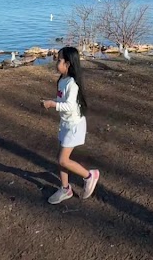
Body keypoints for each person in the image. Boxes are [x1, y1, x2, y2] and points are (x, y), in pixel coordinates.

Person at [39, 46, 99, 204]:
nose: (56, 62)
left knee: (63, 160)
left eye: (59, 60)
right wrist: (51, 101)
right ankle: (65, 189)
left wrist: (53, 104)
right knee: (61, 158)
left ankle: (89, 176)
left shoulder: (72, 84)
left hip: (74, 125)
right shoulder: (62, 80)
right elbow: (62, 100)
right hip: (65, 123)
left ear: (68, 64)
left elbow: (70, 106)